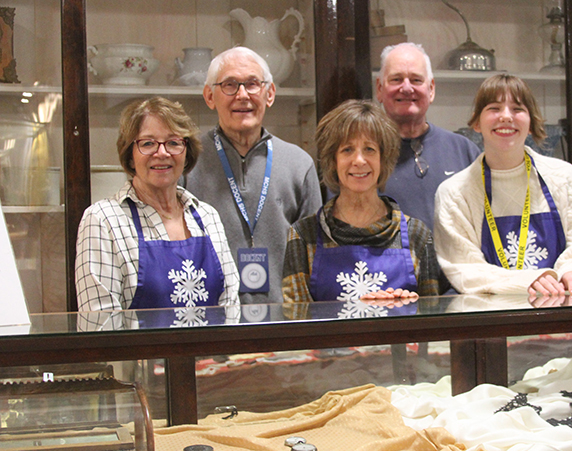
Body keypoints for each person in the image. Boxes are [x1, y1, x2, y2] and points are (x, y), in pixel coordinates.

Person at [434, 74, 572, 298]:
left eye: (517, 109)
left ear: (531, 122)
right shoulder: (453, 193)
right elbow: (465, 269)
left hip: (562, 316)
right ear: (476, 123)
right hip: (492, 323)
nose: (506, 117)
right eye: (494, 108)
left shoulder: (565, 178)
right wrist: (528, 281)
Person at [184, 46, 322, 304]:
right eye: (230, 85)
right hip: (210, 320)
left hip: (285, 323)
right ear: (209, 96)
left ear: (269, 94)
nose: (242, 95)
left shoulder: (299, 164)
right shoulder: (187, 162)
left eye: (252, 84)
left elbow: (315, 256)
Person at [75, 97, 239, 313]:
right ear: (130, 156)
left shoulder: (207, 216)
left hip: (213, 348)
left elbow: (230, 310)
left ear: (186, 152)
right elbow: (100, 327)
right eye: (148, 143)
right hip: (136, 349)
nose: (162, 153)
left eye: (173, 142)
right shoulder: (102, 221)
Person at [282, 99, 444, 304]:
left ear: (383, 159)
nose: (359, 160)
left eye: (369, 149)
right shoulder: (303, 236)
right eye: (347, 150)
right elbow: (298, 325)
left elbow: (430, 319)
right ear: (333, 161)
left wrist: (409, 309)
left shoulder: (417, 234)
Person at [376, 43, 481, 232]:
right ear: (379, 88)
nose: (406, 88)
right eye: (396, 79)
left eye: (416, 80)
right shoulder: (360, 157)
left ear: (431, 89)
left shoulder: (464, 151)